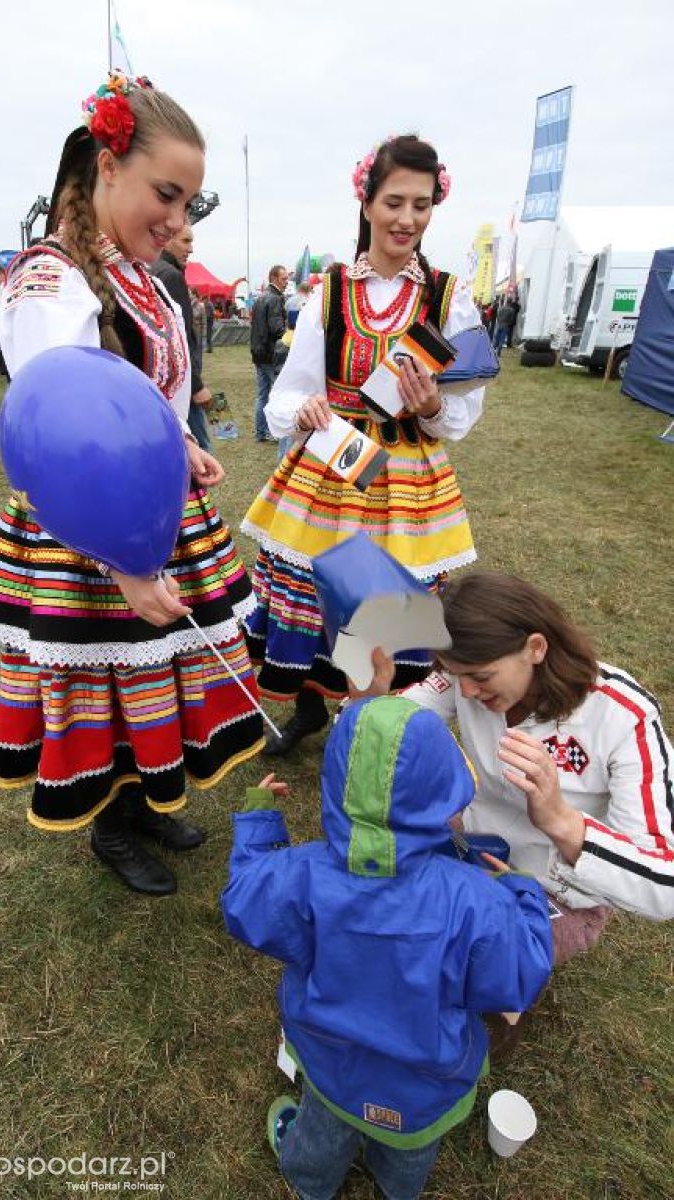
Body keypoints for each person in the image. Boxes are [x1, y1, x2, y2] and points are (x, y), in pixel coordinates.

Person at [0, 72, 264, 897]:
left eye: (188, 204)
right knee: (104, 675)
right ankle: (110, 825)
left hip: (150, 505)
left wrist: (182, 447)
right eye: (166, 193)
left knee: (155, 671)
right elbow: (66, 436)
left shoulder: (139, 276)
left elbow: (144, 401)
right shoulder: (51, 282)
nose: (174, 220)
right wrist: (124, 563)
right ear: (106, 167)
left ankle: (145, 802)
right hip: (90, 527)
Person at [222, 697, 553, 1200]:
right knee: (411, 1149)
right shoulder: (479, 901)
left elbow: (245, 898)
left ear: (336, 788)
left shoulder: (301, 875)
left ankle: (310, 1182)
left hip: (332, 1065)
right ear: (446, 791)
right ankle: (398, 1187)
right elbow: (519, 976)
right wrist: (524, 894)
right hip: (428, 1083)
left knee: (322, 1132)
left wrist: (259, 820)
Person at [241, 134, 485, 755]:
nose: (408, 219)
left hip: (405, 480)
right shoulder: (328, 291)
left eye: (422, 205)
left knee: (386, 603)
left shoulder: (449, 297)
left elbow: (464, 408)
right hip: (332, 464)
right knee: (315, 591)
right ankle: (308, 711)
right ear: (367, 201)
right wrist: (306, 407)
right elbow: (284, 397)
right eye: (395, 202)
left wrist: (432, 406)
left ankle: (375, 721)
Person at [360, 571, 674, 952]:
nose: (467, 692)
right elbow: (394, 725)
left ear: (536, 648)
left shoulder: (623, 716)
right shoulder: (463, 678)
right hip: (470, 842)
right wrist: (369, 702)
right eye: (454, 674)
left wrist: (559, 818)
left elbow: (663, 883)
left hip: (556, 889)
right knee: (375, 878)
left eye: (480, 676)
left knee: (473, 952)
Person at [151, 223, 213, 450]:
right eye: (186, 241)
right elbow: (179, 339)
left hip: (164, 384)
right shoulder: (170, 275)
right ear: (167, 239)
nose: (191, 249)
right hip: (181, 386)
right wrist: (196, 386)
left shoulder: (152, 269)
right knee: (199, 451)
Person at [250, 265, 288, 442]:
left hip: (259, 352)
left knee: (262, 394)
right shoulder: (274, 299)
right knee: (277, 393)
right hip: (270, 353)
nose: (287, 282)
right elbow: (276, 328)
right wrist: (291, 334)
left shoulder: (261, 298)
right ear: (273, 278)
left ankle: (261, 432)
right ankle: (272, 432)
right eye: (283, 279)